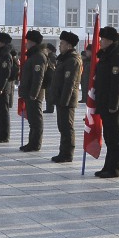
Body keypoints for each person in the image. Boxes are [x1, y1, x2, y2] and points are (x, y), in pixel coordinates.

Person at [94, 26, 119, 178]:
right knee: (109, 138)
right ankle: (108, 166)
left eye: (102, 40)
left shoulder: (117, 57)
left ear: (109, 41)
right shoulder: (106, 56)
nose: (100, 42)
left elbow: (118, 83)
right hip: (105, 104)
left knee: (115, 139)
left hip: (114, 106)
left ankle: (114, 169)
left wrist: (113, 105)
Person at [49, 31, 83, 162]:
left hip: (67, 100)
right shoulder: (64, 58)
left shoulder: (72, 60)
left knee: (67, 127)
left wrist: (64, 100)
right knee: (62, 126)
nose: (59, 46)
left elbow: (70, 83)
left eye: (62, 43)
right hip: (61, 98)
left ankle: (67, 153)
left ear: (69, 46)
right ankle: (63, 151)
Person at [18, 30, 47, 152]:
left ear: (33, 42)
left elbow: (38, 77)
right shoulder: (33, 55)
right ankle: (32, 142)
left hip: (34, 94)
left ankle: (35, 144)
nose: (26, 44)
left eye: (28, 42)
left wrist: (34, 94)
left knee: (36, 120)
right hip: (29, 92)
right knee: (32, 120)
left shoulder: (39, 56)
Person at [43, 43, 57, 114]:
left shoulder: (52, 56)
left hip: (51, 77)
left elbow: (53, 67)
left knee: (49, 94)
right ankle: (48, 108)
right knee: (48, 94)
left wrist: (47, 60)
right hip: (49, 77)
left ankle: (50, 108)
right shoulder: (50, 56)